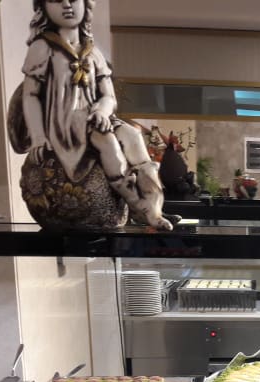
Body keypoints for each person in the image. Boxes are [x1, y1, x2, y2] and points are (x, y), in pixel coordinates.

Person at [18, 0, 173, 230]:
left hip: (95, 116)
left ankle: (153, 205)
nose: (67, 5)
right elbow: (30, 95)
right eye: (56, 0)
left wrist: (102, 110)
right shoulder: (42, 48)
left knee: (133, 136)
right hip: (65, 122)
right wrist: (38, 137)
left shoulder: (93, 52)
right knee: (107, 142)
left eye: (74, 0)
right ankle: (135, 202)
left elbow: (109, 96)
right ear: (44, 8)